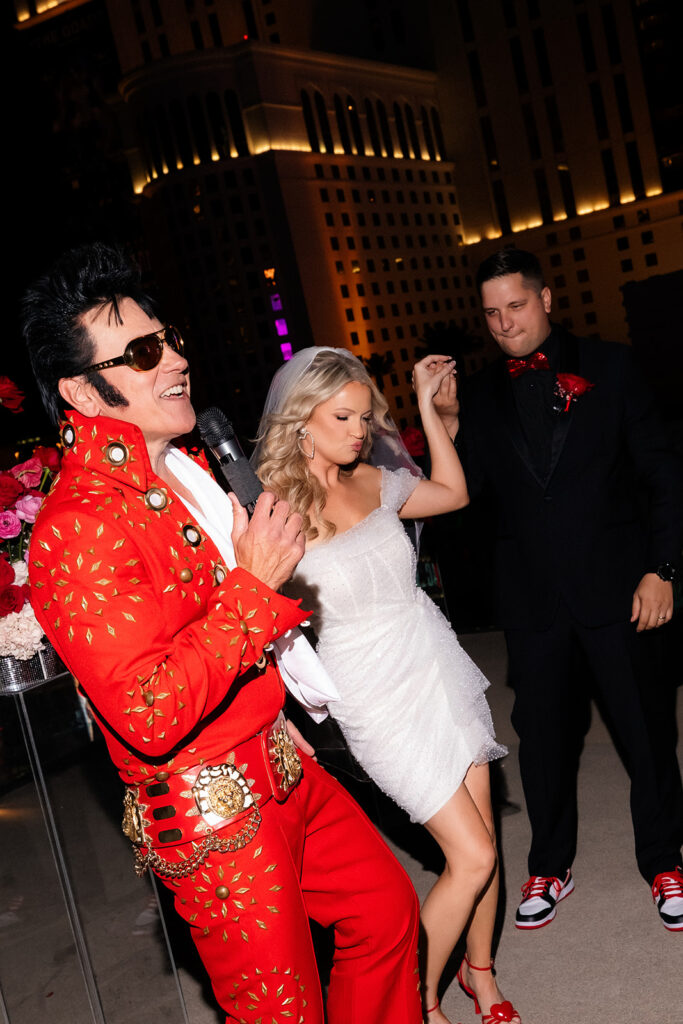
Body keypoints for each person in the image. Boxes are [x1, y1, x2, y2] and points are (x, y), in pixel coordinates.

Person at [21, 243, 424, 1024]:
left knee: (384, 915)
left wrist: (274, 706)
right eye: (142, 352)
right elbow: (146, 709)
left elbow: (207, 624)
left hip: (276, 759)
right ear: (81, 389)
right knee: (280, 1013)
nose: (173, 357)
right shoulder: (78, 528)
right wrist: (255, 584)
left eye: (167, 337)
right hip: (212, 817)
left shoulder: (179, 468)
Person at [253, 347, 519, 1024]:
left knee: (482, 841)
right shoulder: (272, 512)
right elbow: (255, 628)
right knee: (474, 853)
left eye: (364, 417)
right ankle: (416, 999)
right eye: (341, 416)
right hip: (370, 693)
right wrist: (275, 717)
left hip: (433, 660)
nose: (357, 430)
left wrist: (427, 410)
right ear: (300, 419)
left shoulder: (374, 478)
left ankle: (479, 977)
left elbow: (453, 494)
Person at [434, 247, 683, 932]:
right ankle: (549, 864)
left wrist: (662, 570)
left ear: (544, 300)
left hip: (620, 589)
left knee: (644, 730)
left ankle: (665, 860)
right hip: (533, 601)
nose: (504, 322)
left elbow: (663, 475)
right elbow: (464, 496)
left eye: (515, 305)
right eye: (490, 313)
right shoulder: (480, 393)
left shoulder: (610, 364)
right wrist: (448, 424)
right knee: (541, 741)